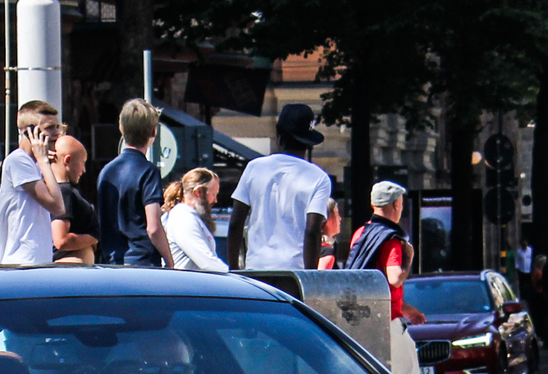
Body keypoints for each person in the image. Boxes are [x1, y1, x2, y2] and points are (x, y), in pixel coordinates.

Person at [228, 103, 333, 271]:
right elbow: (312, 231)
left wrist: (233, 269)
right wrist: (310, 276)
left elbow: (235, 223)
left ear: (279, 137)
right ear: (308, 142)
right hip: (294, 272)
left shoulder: (254, 168)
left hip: (257, 269)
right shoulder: (319, 178)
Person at [0, 99, 65, 265]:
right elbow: (58, 207)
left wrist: (44, 163)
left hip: (37, 260)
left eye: (58, 127)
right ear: (29, 132)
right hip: (21, 261)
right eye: (50, 128)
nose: (57, 133)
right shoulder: (18, 161)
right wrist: (44, 161)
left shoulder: (35, 164)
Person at [95, 99, 170, 266]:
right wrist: (170, 261)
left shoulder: (106, 172)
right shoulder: (148, 171)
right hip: (143, 263)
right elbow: (154, 227)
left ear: (122, 129)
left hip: (111, 262)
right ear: (153, 132)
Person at [343, 180, 425, 324]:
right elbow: (395, 279)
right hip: (386, 320)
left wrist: (406, 310)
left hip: (361, 315)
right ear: (396, 204)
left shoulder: (360, 233)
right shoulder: (391, 238)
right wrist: (408, 258)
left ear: (373, 204)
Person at [162, 169, 226, 272]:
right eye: (213, 194)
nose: (215, 200)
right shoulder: (183, 217)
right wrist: (233, 277)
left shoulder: (189, 216)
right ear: (198, 192)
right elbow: (207, 263)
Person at [50, 133, 99, 263]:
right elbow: (61, 240)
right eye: (82, 162)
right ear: (67, 160)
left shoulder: (58, 191)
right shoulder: (64, 192)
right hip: (70, 272)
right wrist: (94, 237)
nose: (84, 170)